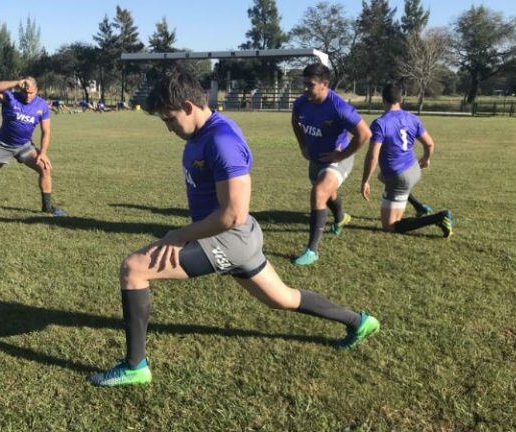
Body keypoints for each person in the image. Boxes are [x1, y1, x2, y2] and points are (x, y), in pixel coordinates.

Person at [87, 69, 379, 387]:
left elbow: (233, 214)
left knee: (134, 269)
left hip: (229, 238)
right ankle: (359, 321)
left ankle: (134, 367)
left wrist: (178, 235)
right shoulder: (203, 133)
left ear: (188, 106)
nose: (169, 128)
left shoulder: (221, 140)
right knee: (281, 298)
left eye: (169, 119)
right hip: (235, 238)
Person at [290, 63, 371, 266]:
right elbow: (295, 121)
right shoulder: (302, 103)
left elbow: (364, 133)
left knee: (319, 193)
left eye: (311, 84)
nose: (306, 88)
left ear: (324, 84)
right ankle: (341, 217)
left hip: (337, 159)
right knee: (328, 195)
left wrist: (342, 154)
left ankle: (312, 250)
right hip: (316, 159)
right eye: (305, 84)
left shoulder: (339, 107)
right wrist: (303, 146)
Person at [0, 77, 66, 216]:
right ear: (21, 89)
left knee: (45, 168)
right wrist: (16, 83)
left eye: (31, 93)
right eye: (25, 92)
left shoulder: (42, 105)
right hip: (3, 145)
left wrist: (43, 153)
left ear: (37, 91)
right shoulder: (10, 97)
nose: (28, 96)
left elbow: (46, 131)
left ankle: (47, 207)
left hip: (25, 146)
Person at [360, 83, 453, 237]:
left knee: (389, 226)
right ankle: (419, 206)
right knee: (382, 176)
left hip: (399, 177)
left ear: (383, 99)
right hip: (414, 169)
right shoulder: (412, 118)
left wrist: (365, 180)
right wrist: (426, 159)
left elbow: (373, 155)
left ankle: (439, 217)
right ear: (400, 99)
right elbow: (429, 144)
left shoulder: (380, 123)